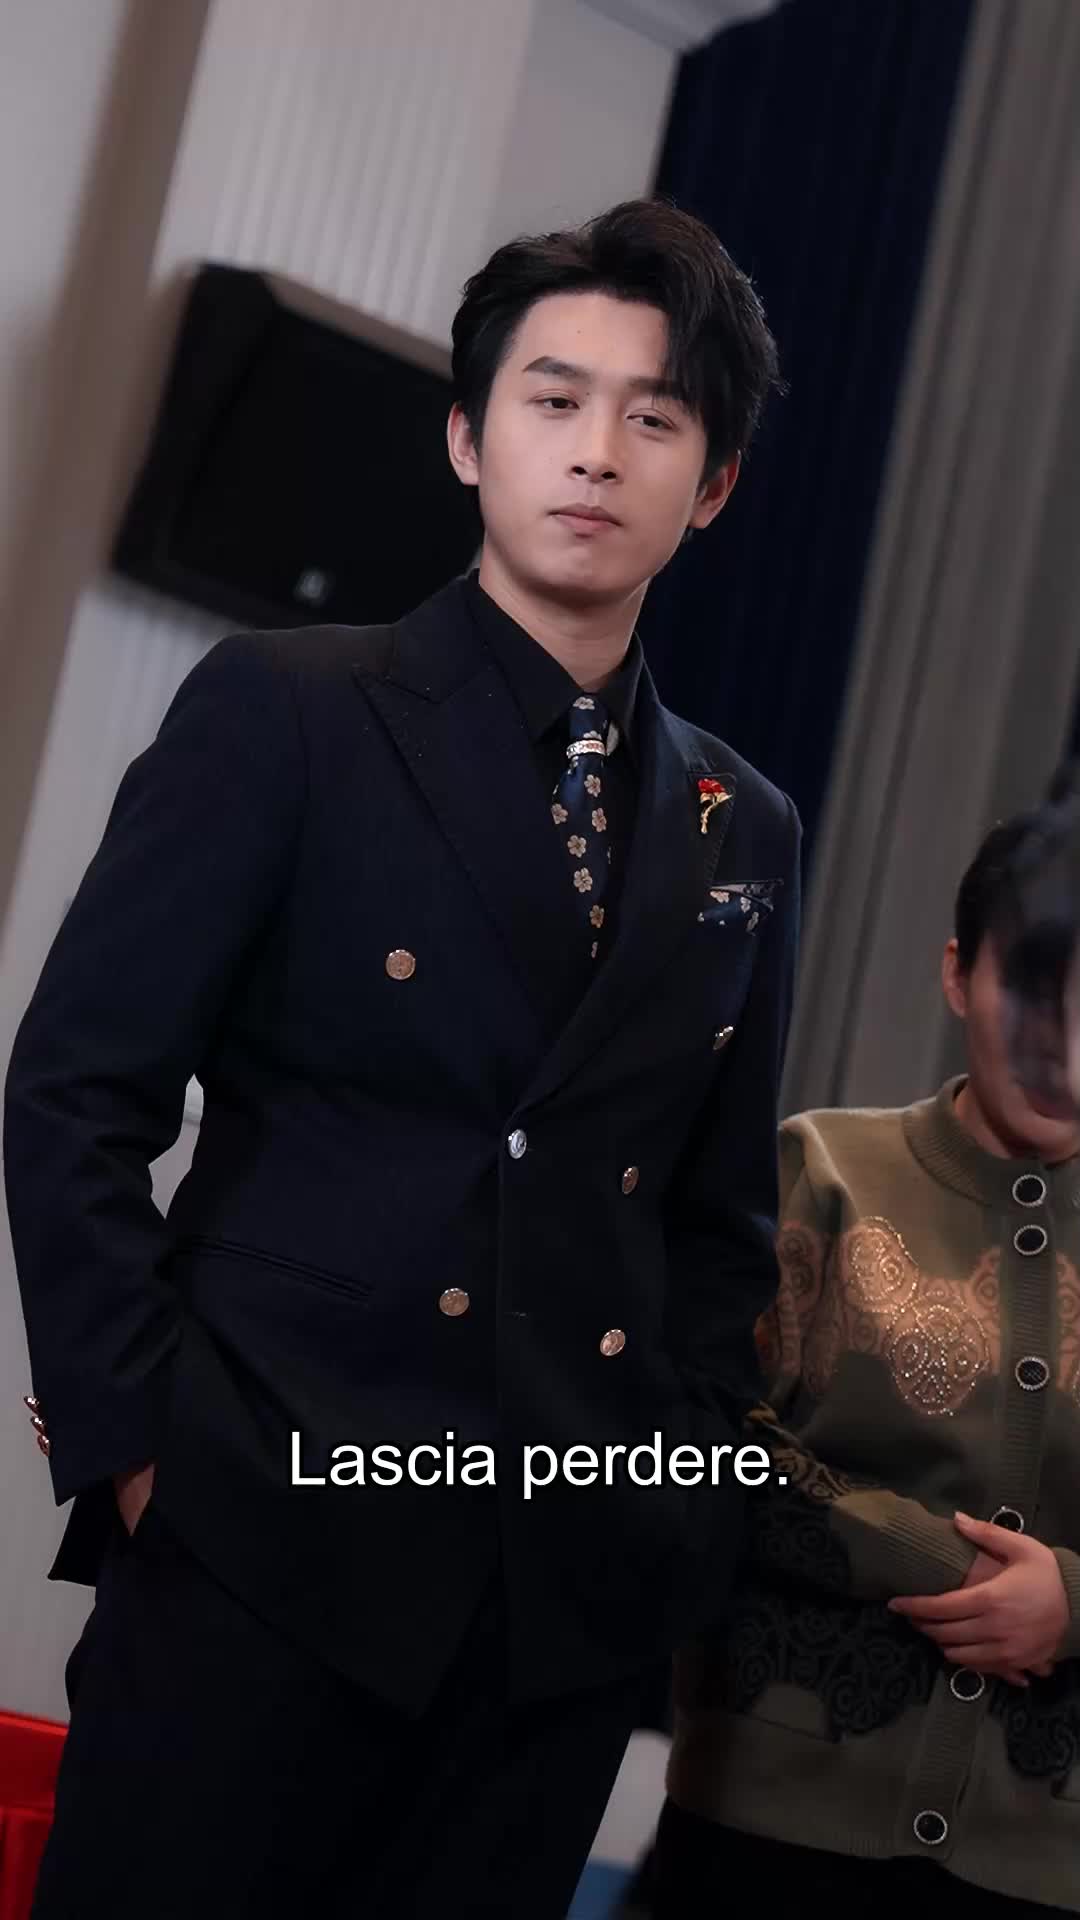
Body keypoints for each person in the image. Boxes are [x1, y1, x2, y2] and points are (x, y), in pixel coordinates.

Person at [3, 197, 801, 1918]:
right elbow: (75, 1092)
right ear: (466, 435)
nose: (597, 452)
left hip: (557, 1603)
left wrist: (682, 1500)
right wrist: (144, 1451)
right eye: (553, 399)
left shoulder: (744, 824)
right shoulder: (289, 710)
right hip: (258, 1542)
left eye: (656, 418)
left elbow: (718, 1220)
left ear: (714, 485)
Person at [654, 815, 1080, 1916]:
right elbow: (700, 1443)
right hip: (765, 1821)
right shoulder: (821, 1171)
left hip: (1044, 1868)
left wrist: (1071, 1601)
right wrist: (932, 1560)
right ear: (957, 974)